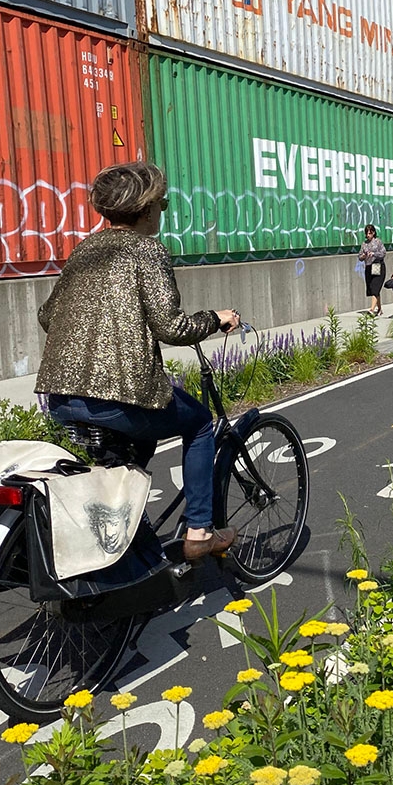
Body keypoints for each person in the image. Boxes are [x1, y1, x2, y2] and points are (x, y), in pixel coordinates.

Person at [34, 161, 240, 561]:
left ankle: (126, 537)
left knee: (130, 454)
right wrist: (217, 319)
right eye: (161, 204)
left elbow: (47, 316)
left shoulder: (85, 250)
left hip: (61, 396)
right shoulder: (147, 250)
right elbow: (171, 326)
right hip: (119, 397)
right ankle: (199, 530)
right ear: (146, 209)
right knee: (198, 423)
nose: (162, 210)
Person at [358, 224, 386, 315]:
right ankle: (379, 309)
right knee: (372, 288)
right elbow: (360, 256)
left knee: (375, 287)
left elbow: (383, 253)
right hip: (369, 267)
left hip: (377, 265)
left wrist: (373, 254)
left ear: (373, 233)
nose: (368, 235)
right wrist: (364, 256)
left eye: (369, 233)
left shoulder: (378, 242)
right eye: (367, 234)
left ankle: (372, 309)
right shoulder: (364, 244)